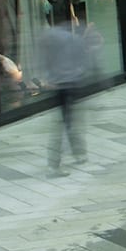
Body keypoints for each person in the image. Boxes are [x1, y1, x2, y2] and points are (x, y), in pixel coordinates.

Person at [40, 14, 100, 177]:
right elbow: (84, 64)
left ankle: (78, 153)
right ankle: (55, 165)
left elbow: (46, 62)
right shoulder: (75, 40)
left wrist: (50, 77)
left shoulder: (50, 38)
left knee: (66, 122)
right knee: (68, 123)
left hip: (57, 85)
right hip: (70, 85)